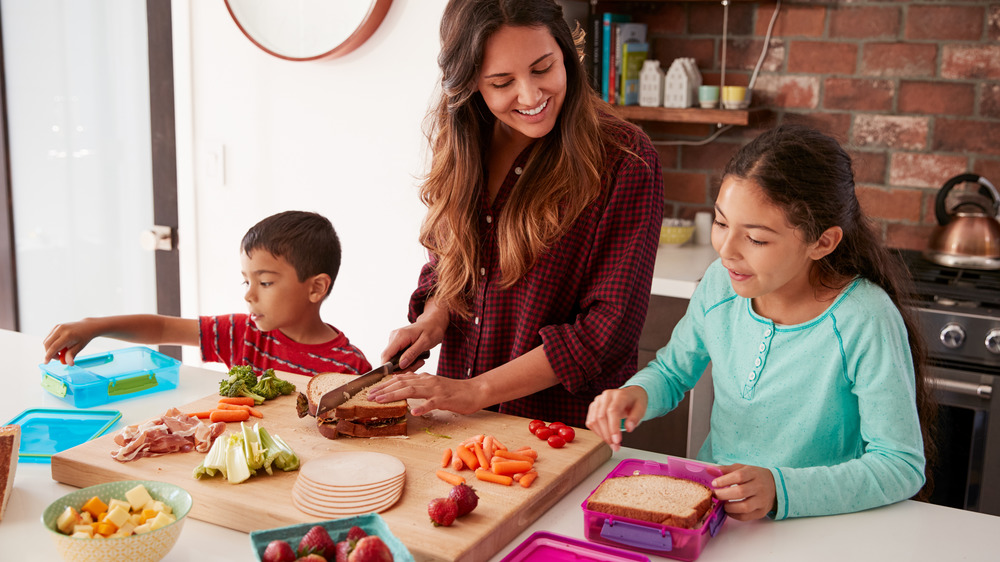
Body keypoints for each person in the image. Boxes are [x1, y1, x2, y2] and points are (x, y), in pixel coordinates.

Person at [586, 124, 937, 521]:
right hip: (719, 515)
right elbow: (671, 371)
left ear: (822, 242)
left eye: (756, 238)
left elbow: (900, 466)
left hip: (822, 526)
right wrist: (637, 394)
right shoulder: (720, 283)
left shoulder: (863, 319)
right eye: (721, 223)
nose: (727, 251)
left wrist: (780, 490)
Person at [367, 0, 664, 428]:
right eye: (502, 81)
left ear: (566, 53)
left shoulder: (625, 159)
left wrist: (478, 391)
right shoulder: (461, 145)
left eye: (543, 68)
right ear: (471, 85)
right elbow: (449, 264)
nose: (531, 96)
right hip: (459, 423)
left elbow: (605, 332)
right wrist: (434, 318)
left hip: (559, 433)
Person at [42, 210, 372, 377]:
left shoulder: (349, 368)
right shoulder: (243, 334)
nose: (249, 295)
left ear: (315, 287)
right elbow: (163, 328)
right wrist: (94, 326)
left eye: (265, 282)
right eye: (246, 282)